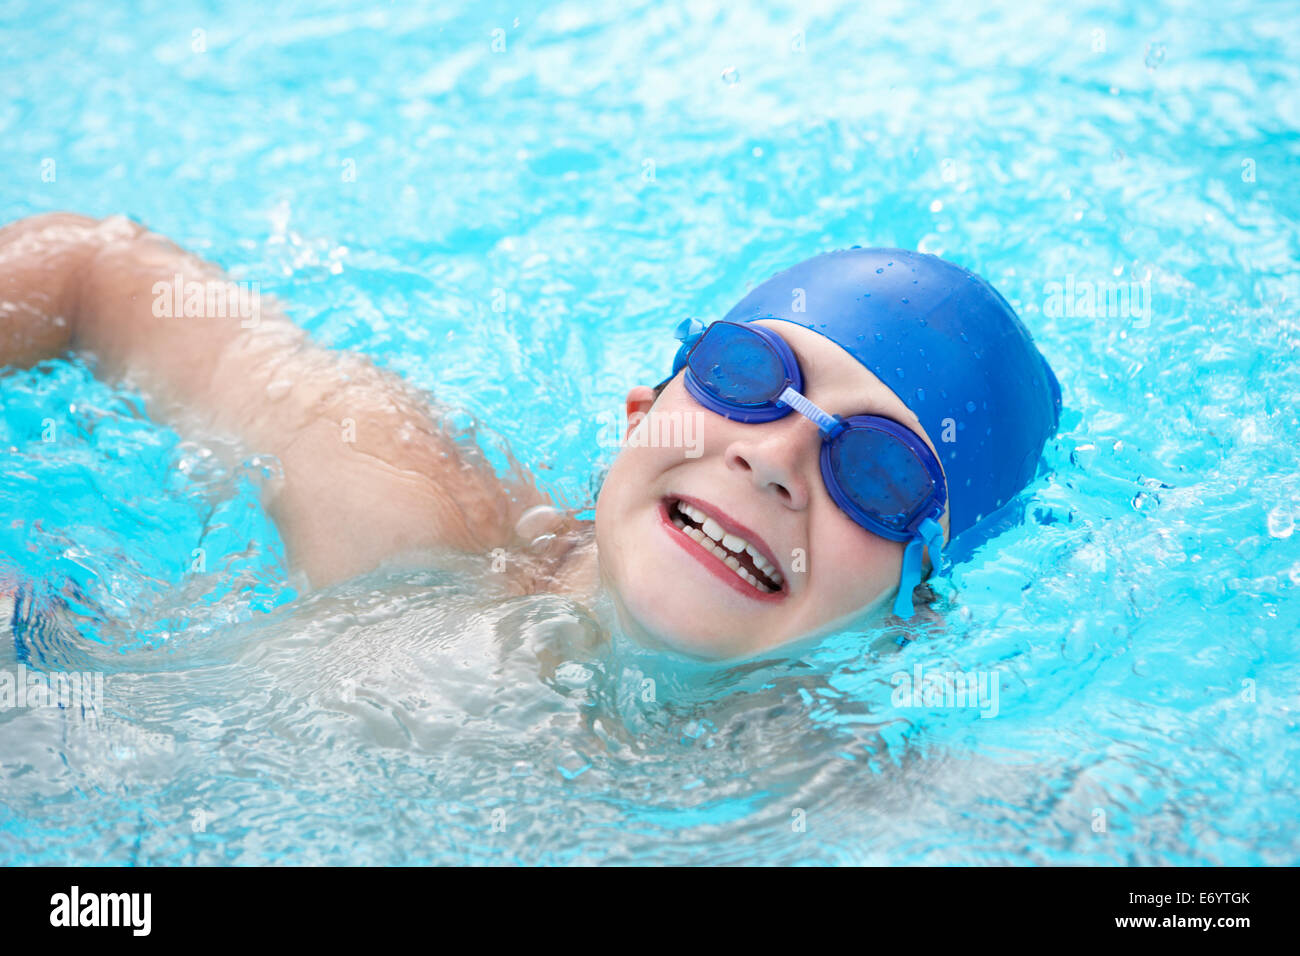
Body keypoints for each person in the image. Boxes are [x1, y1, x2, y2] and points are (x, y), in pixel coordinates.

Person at [0, 213, 1060, 661]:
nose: (773, 456)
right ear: (641, 411)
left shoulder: (849, 810)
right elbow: (97, 269)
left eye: (876, 470)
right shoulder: (405, 509)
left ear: (915, 608)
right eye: (749, 377)